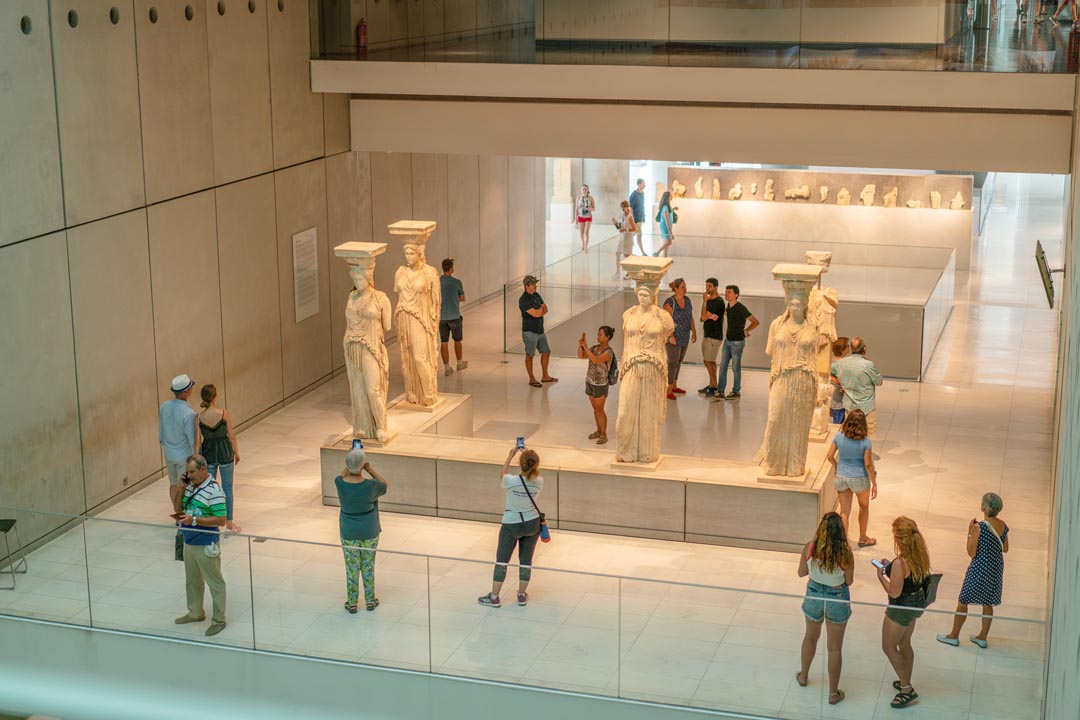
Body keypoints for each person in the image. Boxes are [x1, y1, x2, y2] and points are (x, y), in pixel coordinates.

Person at [795, 512, 854, 706]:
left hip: (813, 594)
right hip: (837, 597)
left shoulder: (810, 547)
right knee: (834, 648)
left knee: (810, 637)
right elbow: (849, 581)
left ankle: (803, 676)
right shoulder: (845, 554)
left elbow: (802, 573)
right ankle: (833, 693)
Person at [937, 493, 1009, 649]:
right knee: (988, 603)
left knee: (963, 601)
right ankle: (982, 637)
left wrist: (970, 532)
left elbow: (971, 552)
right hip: (995, 569)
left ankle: (954, 635)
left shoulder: (979, 527)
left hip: (979, 568)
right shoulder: (1003, 525)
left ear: (983, 507)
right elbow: (1006, 548)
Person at [877, 516, 933, 710]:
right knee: (905, 643)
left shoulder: (901, 563)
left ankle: (906, 689)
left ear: (899, 538)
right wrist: (890, 566)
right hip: (915, 603)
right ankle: (904, 679)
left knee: (889, 646)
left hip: (900, 607)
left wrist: (881, 575)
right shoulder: (919, 554)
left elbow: (894, 591)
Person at [478, 446, 544, 608]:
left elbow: (502, 475)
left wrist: (510, 456)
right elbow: (530, 473)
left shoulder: (510, 481)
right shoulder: (539, 482)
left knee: (502, 560)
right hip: (532, 523)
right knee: (526, 561)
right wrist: (527, 454)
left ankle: (494, 597)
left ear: (520, 464)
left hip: (511, 523)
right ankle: (521, 595)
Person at [173, 454, 228, 636]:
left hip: (206, 544)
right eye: (187, 472)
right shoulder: (189, 486)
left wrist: (195, 520)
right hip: (189, 542)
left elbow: (221, 520)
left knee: (215, 583)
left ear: (204, 469)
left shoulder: (215, 491)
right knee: (192, 581)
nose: (189, 475)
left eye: (192, 471)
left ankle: (219, 620)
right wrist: (181, 488)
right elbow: (177, 509)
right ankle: (195, 612)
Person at [335, 448, 388, 613]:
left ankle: (352, 602)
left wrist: (351, 465)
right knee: (368, 565)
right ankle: (370, 600)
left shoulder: (340, 484)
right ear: (363, 465)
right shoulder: (371, 486)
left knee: (351, 567)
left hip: (349, 531)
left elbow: (340, 476)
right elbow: (384, 485)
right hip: (369, 530)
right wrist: (369, 468)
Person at [826, 409, 877, 547]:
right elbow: (868, 465)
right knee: (863, 507)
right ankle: (863, 537)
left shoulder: (838, 437)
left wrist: (837, 466)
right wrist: (874, 483)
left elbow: (829, 456)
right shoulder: (866, 442)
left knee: (844, 512)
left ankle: (843, 543)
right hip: (860, 478)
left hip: (842, 477)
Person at [197, 384, 241, 534]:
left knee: (209, 489)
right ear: (215, 397)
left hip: (208, 454)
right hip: (224, 453)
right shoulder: (223, 413)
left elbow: (198, 441)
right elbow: (232, 435)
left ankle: (210, 521)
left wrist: (198, 457)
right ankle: (229, 523)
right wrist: (237, 452)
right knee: (227, 489)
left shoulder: (200, 417)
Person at [831, 336, 883, 438]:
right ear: (864, 349)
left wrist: (840, 384)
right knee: (866, 438)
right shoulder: (868, 365)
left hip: (849, 408)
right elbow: (879, 381)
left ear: (851, 349)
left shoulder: (840, 363)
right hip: (866, 409)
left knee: (849, 436)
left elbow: (830, 375)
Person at [714, 285, 759, 401]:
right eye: (726, 292)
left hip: (737, 343)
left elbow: (755, 322)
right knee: (723, 366)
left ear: (736, 295)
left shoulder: (741, 308)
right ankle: (720, 391)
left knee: (735, 367)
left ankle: (736, 391)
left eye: (729, 292)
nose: (727, 294)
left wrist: (746, 331)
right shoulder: (728, 307)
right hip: (727, 341)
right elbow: (729, 316)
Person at [160, 374, 197, 505]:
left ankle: (178, 514)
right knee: (185, 486)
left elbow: (162, 431)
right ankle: (184, 515)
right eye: (191, 387)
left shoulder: (164, 406)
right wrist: (197, 458)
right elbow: (193, 440)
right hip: (184, 457)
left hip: (169, 454)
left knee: (173, 484)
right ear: (186, 392)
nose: (193, 389)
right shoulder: (189, 414)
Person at [577, 326, 615, 445]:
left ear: (607, 337)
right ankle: (599, 431)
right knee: (596, 410)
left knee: (600, 410)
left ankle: (603, 434)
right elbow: (581, 356)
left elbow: (597, 360)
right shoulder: (594, 348)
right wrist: (581, 346)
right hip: (590, 382)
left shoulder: (609, 351)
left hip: (600, 384)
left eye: (600, 334)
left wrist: (586, 348)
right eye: (598, 334)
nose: (598, 336)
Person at [519, 275, 557, 388]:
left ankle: (545, 376)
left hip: (540, 330)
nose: (536, 286)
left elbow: (545, 308)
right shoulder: (523, 300)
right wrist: (540, 311)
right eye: (533, 284)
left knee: (546, 352)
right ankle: (532, 378)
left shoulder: (536, 295)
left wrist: (539, 311)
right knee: (530, 355)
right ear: (526, 286)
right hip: (529, 332)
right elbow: (536, 314)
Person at [662, 278, 696, 400]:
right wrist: (670, 336)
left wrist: (694, 331)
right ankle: (668, 389)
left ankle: (675, 385)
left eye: (685, 287)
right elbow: (666, 321)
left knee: (679, 361)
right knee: (672, 363)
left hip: (684, 336)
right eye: (682, 287)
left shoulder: (687, 300)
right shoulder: (669, 302)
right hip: (673, 338)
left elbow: (690, 317)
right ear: (676, 289)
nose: (685, 289)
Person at [439, 258, 468, 376]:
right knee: (457, 340)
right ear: (451, 269)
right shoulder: (457, 282)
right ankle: (459, 363)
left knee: (444, 342)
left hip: (441, 317)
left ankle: (446, 368)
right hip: (455, 316)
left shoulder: (437, 282)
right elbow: (462, 298)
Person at [698, 278, 725, 398]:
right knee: (709, 361)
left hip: (714, 336)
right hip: (707, 334)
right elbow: (701, 318)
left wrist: (704, 304)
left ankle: (714, 387)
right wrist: (707, 314)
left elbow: (704, 316)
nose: (707, 288)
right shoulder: (709, 300)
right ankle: (712, 385)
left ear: (715, 287)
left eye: (710, 286)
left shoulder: (719, 301)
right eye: (706, 286)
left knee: (708, 361)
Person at [612, 200, 637, 280]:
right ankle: (618, 273)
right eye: (622, 207)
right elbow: (619, 228)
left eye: (624, 207)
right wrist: (615, 223)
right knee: (617, 253)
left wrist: (624, 230)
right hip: (622, 238)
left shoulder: (630, 216)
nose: (623, 209)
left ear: (627, 207)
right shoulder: (621, 215)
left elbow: (634, 228)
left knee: (627, 256)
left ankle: (629, 274)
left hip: (628, 238)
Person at [830, 337, 851, 424]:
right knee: (839, 426)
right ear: (842, 349)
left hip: (833, 400)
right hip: (839, 402)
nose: (849, 347)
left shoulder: (831, 362)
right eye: (847, 346)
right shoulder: (843, 364)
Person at [653, 191, 674, 258]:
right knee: (669, 242)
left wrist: (673, 209)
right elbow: (666, 219)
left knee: (666, 243)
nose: (672, 196)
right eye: (671, 195)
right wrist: (670, 230)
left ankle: (665, 257)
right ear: (667, 197)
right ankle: (657, 252)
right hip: (665, 227)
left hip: (667, 226)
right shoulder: (665, 207)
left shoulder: (667, 206)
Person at [575, 184, 595, 252]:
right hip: (580, 217)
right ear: (581, 190)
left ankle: (586, 246)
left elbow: (594, 208)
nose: (584, 190)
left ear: (588, 190)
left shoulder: (591, 198)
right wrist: (576, 219)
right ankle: (583, 244)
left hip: (588, 217)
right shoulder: (578, 197)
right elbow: (576, 209)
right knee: (581, 232)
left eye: (585, 189)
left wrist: (589, 208)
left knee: (586, 232)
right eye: (583, 189)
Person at [628, 178, 646, 254]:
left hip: (640, 218)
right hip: (635, 219)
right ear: (639, 184)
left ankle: (640, 252)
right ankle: (641, 252)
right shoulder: (634, 194)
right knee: (638, 235)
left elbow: (642, 205)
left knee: (636, 234)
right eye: (643, 183)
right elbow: (630, 207)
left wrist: (643, 216)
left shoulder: (642, 193)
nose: (645, 185)